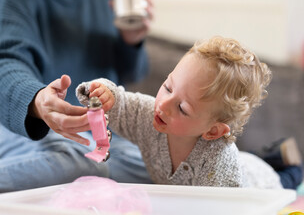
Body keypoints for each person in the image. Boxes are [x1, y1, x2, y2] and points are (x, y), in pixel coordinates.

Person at [0, 0, 154, 195]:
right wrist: (36, 100)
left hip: (95, 137)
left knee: (161, 168)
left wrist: (131, 41)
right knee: (84, 164)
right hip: (20, 126)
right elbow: (3, 63)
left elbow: (132, 73)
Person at [76, 36, 302, 188]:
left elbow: (229, 207)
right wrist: (104, 93)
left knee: (289, 179)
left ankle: (289, 162)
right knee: (250, 159)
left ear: (213, 131)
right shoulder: (150, 115)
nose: (163, 104)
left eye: (182, 108)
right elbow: (121, 105)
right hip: (245, 161)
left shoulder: (220, 170)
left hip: (259, 182)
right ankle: (270, 154)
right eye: (167, 87)